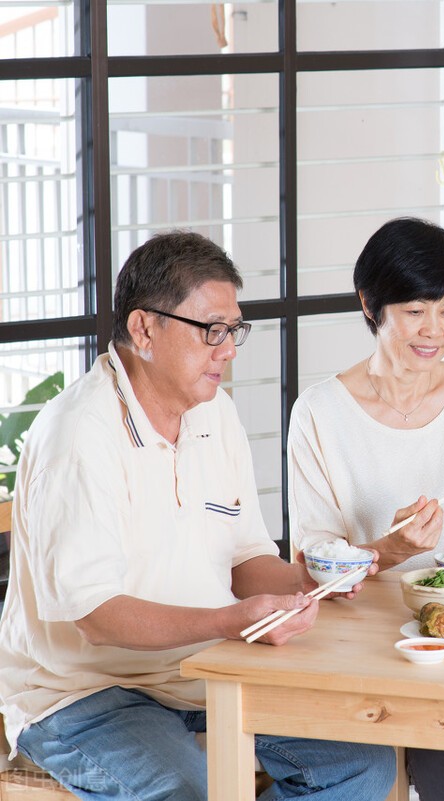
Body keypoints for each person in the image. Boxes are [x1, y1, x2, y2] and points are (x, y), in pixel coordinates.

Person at [0, 232, 396, 800]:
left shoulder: (217, 415)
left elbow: (244, 559)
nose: (229, 349)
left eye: (234, 330)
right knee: (190, 791)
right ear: (144, 329)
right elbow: (96, 615)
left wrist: (310, 580)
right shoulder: (78, 433)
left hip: (204, 675)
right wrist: (228, 623)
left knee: (361, 764)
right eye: (212, 330)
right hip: (82, 697)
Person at [287, 217, 444, 800]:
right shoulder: (320, 412)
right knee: (361, 775)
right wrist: (394, 549)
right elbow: (311, 562)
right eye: (416, 310)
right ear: (371, 304)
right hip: (358, 643)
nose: (435, 331)